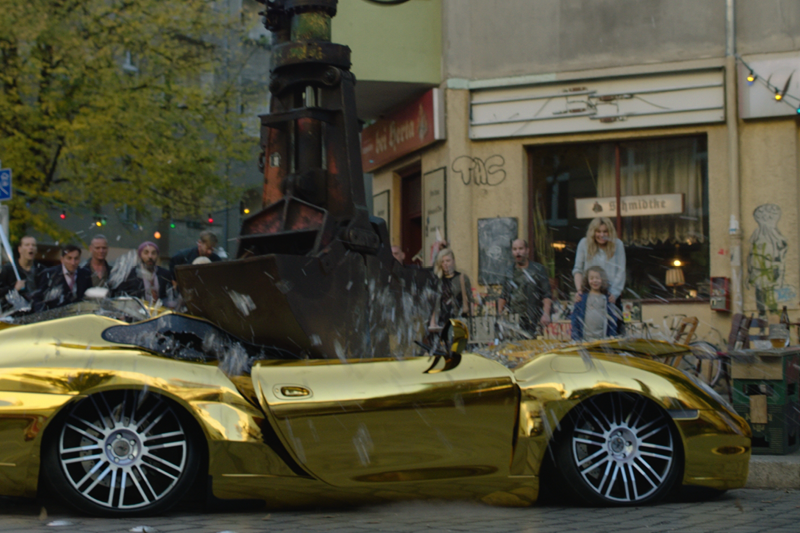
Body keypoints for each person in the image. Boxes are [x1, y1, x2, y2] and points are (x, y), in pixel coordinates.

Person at [498, 239, 553, 336]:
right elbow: (504, 295)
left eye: (520, 248)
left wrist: (546, 314)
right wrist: (499, 316)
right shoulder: (509, 272)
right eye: (515, 249)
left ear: (527, 250)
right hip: (515, 319)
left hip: (534, 318)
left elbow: (546, 294)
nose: (517, 252)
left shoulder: (538, 270)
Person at [573, 217, 626, 305]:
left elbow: (621, 271)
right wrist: (579, 290)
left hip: (611, 296)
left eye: (605, 231)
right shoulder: (584, 244)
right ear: (593, 232)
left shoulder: (618, 245)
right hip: (588, 295)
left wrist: (614, 292)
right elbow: (578, 270)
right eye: (598, 231)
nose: (602, 235)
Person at [34, 244, 91, 310]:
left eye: (76, 259)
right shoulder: (50, 274)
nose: (73, 262)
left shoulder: (85, 273)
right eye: (69, 258)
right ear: (62, 259)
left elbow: (88, 295)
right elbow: (38, 298)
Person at [571, 266, 620, 341]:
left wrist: (611, 335)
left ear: (602, 280)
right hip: (584, 340)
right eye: (591, 278)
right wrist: (576, 337)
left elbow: (612, 319)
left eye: (598, 278)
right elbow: (575, 318)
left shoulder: (607, 298)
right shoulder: (581, 298)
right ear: (587, 280)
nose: (595, 281)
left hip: (602, 340)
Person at [428, 248, 473, 330]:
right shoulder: (438, 280)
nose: (445, 263)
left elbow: (470, 300)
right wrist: (433, 322)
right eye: (442, 261)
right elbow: (434, 303)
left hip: (459, 320)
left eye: (448, 261)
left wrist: (472, 322)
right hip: (442, 321)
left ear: (453, 261)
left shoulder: (461, 278)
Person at [0, 235, 44, 310]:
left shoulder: (41, 270)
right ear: (19, 249)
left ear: (36, 250)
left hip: (38, 312)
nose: (31, 247)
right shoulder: (8, 270)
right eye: (27, 245)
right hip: (15, 314)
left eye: (33, 245)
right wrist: (15, 290)